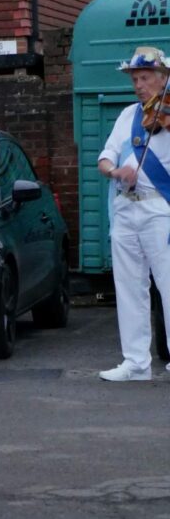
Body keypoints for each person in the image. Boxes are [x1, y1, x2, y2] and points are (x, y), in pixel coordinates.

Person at [97, 46, 170, 382]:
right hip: (126, 206)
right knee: (129, 285)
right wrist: (115, 171)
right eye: (135, 79)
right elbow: (105, 157)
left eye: (145, 78)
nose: (139, 85)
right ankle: (136, 362)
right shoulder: (128, 115)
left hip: (159, 207)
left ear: (163, 79)